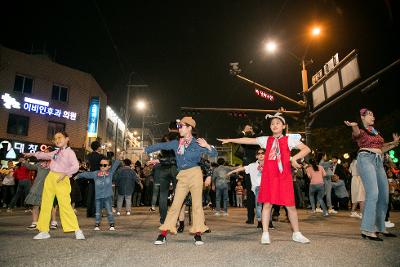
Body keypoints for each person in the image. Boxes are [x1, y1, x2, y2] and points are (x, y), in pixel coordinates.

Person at [219, 112, 311, 244]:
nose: (275, 125)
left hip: (284, 176)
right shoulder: (266, 139)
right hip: (269, 176)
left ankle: (296, 233)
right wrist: (231, 140)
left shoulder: (290, 139)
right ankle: (265, 233)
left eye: (278, 123)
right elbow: (249, 141)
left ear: (283, 126)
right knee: (267, 204)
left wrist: (294, 158)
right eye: (272, 123)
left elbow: (306, 149)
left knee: (290, 206)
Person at [145, 116, 217, 246]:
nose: (178, 129)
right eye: (178, 126)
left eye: (181, 126)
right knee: (175, 205)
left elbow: (214, 154)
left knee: (197, 205)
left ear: (189, 128)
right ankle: (164, 233)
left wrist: (207, 146)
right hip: (182, 175)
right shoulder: (176, 143)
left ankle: (198, 234)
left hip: (195, 174)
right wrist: (147, 149)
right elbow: (162, 145)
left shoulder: (198, 143)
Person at [344, 108, 399, 241]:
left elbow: (380, 148)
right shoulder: (361, 130)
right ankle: (367, 229)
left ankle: (380, 227)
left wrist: (394, 143)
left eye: (373, 114)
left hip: (379, 161)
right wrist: (354, 126)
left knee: (384, 195)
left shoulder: (376, 132)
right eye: (369, 115)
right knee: (373, 193)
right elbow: (356, 134)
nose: (373, 117)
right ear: (362, 117)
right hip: (365, 159)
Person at [24, 131, 85, 240]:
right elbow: (45, 155)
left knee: (65, 204)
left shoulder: (70, 152)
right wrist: (32, 154)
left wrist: (65, 173)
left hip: (62, 179)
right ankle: (43, 230)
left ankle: (76, 229)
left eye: (60, 137)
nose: (57, 140)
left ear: (67, 139)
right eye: (55, 138)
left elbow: (76, 166)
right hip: (50, 177)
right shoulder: (56, 152)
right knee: (46, 203)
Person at [227, 148, 274, 229]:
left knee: (268, 205)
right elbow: (243, 168)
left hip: (268, 187)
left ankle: (269, 222)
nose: (261, 155)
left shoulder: (271, 164)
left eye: (263, 153)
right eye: (259, 153)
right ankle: (260, 222)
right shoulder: (252, 166)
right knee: (259, 206)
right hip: (258, 187)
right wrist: (232, 172)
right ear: (256, 156)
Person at [75, 157, 120, 231]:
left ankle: (112, 224)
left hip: (108, 197)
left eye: (105, 165)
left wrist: (115, 157)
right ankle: (97, 224)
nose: (102, 166)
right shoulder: (96, 173)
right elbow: (86, 174)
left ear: (109, 166)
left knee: (109, 211)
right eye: (101, 165)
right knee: (97, 211)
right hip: (98, 197)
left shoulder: (110, 173)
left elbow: (116, 163)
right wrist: (78, 176)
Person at [22, 149, 58, 230]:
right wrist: (24, 161)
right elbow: (30, 167)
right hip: (38, 187)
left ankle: (54, 222)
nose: (44, 153)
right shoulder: (39, 164)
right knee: (36, 205)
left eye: (46, 152)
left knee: (52, 205)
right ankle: (35, 222)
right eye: (43, 152)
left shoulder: (54, 164)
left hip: (50, 187)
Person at [238, 124, 258, 224]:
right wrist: (245, 132)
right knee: (253, 193)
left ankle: (254, 218)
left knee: (254, 193)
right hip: (253, 169)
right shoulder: (248, 139)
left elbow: (238, 138)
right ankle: (254, 218)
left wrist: (247, 132)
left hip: (255, 168)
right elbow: (237, 138)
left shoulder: (253, 139)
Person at [85, 141, 103, 218]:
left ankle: (89, 212)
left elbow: (88, 166)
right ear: (98, 147)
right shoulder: (100, 156)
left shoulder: (89, 155)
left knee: (91, 195)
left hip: (91, 176)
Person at [349, 154, 365, 219]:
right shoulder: (359, 161)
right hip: (359, 178)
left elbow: (350, 171)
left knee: (355, 195)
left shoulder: (352, 162)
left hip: (354, 179)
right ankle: (361, 213)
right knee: (361, 196)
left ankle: (353, 211)